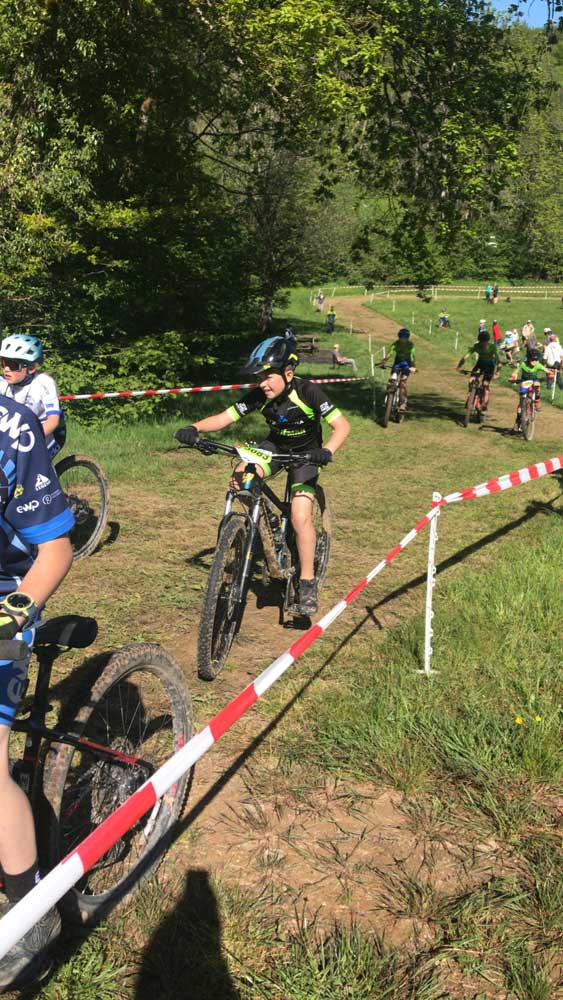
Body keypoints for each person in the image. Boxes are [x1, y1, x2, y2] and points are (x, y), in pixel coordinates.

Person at [175, 334, 350, 615]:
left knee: (300, 516)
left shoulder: (308, 392)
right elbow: (224, 418)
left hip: (306, 455)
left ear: (288, 374)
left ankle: (306, 581)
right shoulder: (260, 396)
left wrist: (326, 451)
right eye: (259, 378)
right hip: (275, 448)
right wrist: (194, 428)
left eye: (268, 377)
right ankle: (266, 520)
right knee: (240, 475)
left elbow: (341, 426)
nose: (262, 384)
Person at [0, 398, 74, 991]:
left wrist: (10, 617)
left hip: (7, 595)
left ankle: (32, 915)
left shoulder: (13, 428)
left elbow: (54, 551)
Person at [0, 334, 65, 457]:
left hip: (49, 433)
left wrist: (28, 440)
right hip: (17, 431)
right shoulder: (3, 383)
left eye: (13, 365)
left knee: (32, 464)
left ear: (31, 367)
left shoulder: (45, 383)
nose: (6, 369)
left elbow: (53, 421)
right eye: (3, 363)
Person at [456, 330, 500, 412]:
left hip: (490, 365)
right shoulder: (476, 346)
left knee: (485, 385)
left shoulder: (492, 347)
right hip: (480, 363)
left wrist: (497, 372)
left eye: (484, 341)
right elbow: (465, 357)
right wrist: (459, 366)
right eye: (481, 341)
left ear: (487, 341)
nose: (482, 343)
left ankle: (484, 405)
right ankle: (470, 395)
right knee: (471, 380)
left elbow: (498, 361)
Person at [509, 347, 547, 428]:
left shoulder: (538, 365)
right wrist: (512, 376)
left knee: (537, 385)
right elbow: (515, 372)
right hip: (524, 381)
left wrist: (550, 374)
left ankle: (537, 401)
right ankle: (518, 419)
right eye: (532, 359)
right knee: (521, 402)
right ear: (528, 359)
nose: (534, 361)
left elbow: (547, 371)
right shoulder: (523, 364)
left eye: (536, 360)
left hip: (534, 381)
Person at [384, 328, 417, 411]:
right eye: (402, 337)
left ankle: (403, 402)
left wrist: (413, 367)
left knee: (402, 382)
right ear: (399, 337)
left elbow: (412, 358)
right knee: (392, 379)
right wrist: (383, 362)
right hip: (397, 364)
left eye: (405, 337)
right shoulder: (395, 344)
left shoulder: (411, 345)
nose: (403, 340)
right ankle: (388, 396)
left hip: (407, 365)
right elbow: (389, 354)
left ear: (408, 338)